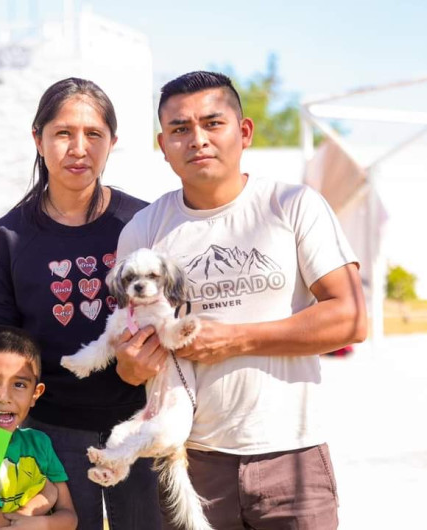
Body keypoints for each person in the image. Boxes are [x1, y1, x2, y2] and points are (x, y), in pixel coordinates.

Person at [113, 71, 368, 530]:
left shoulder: (293, 205)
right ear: (163, 144)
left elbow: (351, 318)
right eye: (179, 130)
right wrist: (131, 364)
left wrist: (236, 339)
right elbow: (128, 355)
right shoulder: (144, 231)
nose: (197, 140)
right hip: (191, 461)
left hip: (292, 457)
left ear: (244, 131)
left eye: (213, 123)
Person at [0, 78, 162, 530]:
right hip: (53, 438)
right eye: (62, 133)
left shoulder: (143, 223)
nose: (78, 147)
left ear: (112, 141)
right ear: (38, 138)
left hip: (141, 428)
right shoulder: (8, 237)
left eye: (93, 134)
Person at [0, 325, 77, 529]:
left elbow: (70, 518)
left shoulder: (39, 443)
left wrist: (40, 522)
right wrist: (43, 499)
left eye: (19, 384)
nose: (5, 397)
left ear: (35, 394)